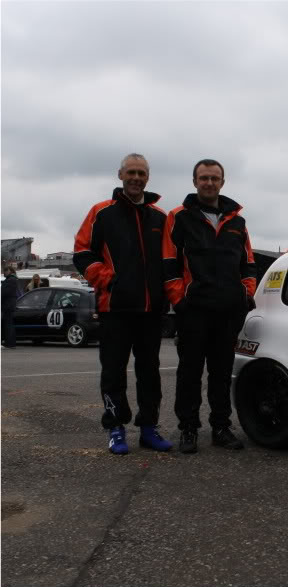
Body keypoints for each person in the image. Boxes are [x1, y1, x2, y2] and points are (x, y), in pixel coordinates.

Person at [73, 153, 173, 455]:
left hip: (150, 311)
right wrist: (107, 279)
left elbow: (171, 260)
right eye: (131, 172)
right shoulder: (101, 213)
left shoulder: (160, 217)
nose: (136, 178)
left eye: (141, 173)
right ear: (120, 175)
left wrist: (166, 294)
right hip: (114, 309)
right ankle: (115, 428)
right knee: (113, 372)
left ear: (148, 177)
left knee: (149, 372)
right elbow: (81, 253)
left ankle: (148, 428)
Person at [163, 158, 257, 454]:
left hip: (228, 311)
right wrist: (180, 301)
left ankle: (221, 427)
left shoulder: (237, 222)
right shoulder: (178, 217)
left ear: (222, 182)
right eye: (203, 178)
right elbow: (168, 264)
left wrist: (245, 295)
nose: (209, 183)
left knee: (221, 372)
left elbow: (249, 264)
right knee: (189, 372)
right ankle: (188, 428)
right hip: (194, 311)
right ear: (194, 182)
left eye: (214, 178)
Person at [2, 265, 21, 349]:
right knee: (8, 324)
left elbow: (4, 293)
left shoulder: (10, 280)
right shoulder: (13, 279)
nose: (4, 272)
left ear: (10, 271)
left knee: (8, 325)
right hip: (9, 304)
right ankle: (9, 343)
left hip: (7, 305)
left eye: (5, 270)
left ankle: (10, 343)